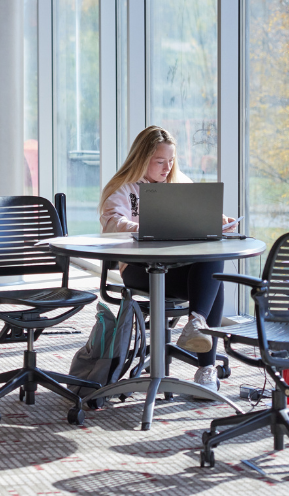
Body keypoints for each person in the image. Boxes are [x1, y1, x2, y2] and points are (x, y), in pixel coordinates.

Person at [98, 126, 237, 395]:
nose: (167, 167)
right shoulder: (123, 187)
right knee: (214, 285)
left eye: (171, 160)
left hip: (177, 269)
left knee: (213, 261)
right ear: (142, 158)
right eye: (160, 161)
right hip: (140, 269)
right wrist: (145, 226)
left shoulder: (177, 183)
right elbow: (114, 223)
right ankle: (205, 361)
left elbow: (199, 213)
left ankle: (196, 327)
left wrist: (219, 221)